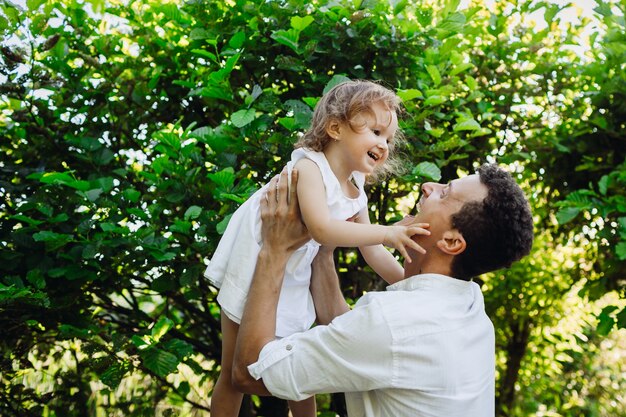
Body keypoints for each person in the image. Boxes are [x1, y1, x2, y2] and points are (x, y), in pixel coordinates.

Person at [232, 164, 534, 416]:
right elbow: (354, 340)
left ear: (452, 242)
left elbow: (250, 372)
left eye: (445, 193)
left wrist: (274, 249)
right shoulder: (470, 307)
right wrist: (324, 253)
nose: (429, 186)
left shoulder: (394, 324)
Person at [205, 80, 430, 416]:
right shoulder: (309, 168)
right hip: (255, 265)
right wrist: (385, 233)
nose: (383, 144)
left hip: (293, 272)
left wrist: (412, 287)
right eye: (376, 131)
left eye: (388, 138)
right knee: (232, 372)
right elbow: (322, 230)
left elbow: (372, 251)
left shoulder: (356, 184)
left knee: (298, 359)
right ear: (336, 128)